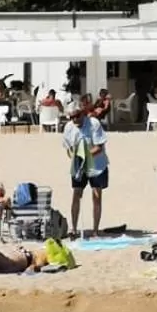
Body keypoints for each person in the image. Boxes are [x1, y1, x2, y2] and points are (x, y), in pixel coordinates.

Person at [63, 101, 109, 237]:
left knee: (96, 196)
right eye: (71, 117)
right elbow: (69, 149)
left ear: (82, 113)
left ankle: (95, 230)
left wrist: (86, 157)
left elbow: (99, 147)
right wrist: (75, 158)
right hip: (78, 166)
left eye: (77, 116)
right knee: (76, 194)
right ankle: (74, 229)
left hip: (97, 165)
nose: (74, 120)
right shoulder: (68, 127)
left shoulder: (94, 123)